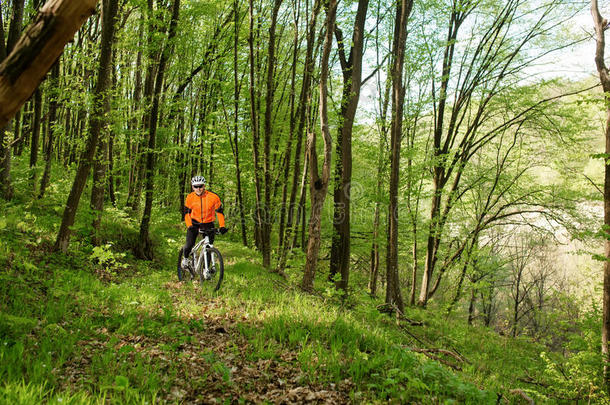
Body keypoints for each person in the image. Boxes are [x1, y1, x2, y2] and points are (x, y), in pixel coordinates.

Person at [181, 175, 227, 269]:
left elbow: (219, 212)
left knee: (209, 247)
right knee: (188, 245)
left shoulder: (213, 197)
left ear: (204, 186)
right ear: (192, 187)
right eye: (196, 186)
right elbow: (186, 214)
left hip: (208, 224)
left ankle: (206, 270)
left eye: (200, 186)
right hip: (194, 223)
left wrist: (222, 226)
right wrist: (189, 225)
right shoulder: (190, 198)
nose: (198, 189)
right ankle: (185, 259)